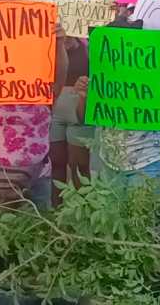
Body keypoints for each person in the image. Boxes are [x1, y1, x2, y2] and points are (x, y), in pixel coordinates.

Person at [0, 24, 69, 210]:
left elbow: (61, 73)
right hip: (0, 175)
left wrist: (59, 44)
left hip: (37, 174)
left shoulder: (45, 93)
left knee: (38, 230)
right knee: (2, 230)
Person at [50, 37, 94, 205]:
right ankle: (55, 211)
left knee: (80, 166)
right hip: (54, 114)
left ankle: (85, 210)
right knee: (57, 163)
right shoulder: (47, 45)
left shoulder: (87, 46)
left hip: (81, 113)